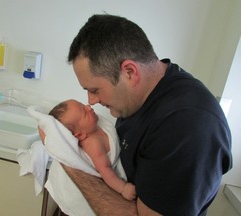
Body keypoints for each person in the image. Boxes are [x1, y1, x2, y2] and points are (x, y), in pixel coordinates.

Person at [55, 14, 233, 216]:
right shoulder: (138, 100)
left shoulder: (187, 126)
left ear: (129, 72)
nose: (91, 101)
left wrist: (67, 158)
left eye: (95, 90)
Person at [47, 99, 136, 201]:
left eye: (83, 105)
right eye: (85, 112)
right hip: (115, 177)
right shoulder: (93, 145)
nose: (89, 107)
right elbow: (105, 170)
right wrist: (123, 188)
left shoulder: (94, 126)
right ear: (80, 135)